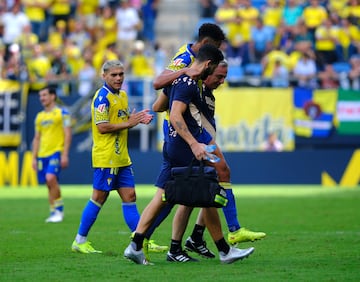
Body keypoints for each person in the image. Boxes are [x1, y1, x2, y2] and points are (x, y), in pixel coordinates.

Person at [124, 44, 255, 265]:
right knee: (205, 192)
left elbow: (159, 105)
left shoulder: (180, 80)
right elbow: (175, 115)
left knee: (165, 197)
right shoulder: (187, 82)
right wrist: (194, 143)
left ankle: (136, 245)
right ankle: (224, 250)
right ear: (207, 64)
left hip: (173, 144)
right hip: (184, 146)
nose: (220, 80)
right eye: (217, 73)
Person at [150, 23, 265, 261]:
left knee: (205, 183)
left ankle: (193, 239)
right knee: (175, 193)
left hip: (193, 124)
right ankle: (143, 238)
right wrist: (184, 78)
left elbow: (160, 103)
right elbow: (159, 85)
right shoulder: (185, 59)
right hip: (181, 130)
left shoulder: (200, 71)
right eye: (215, 51)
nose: (216, 58)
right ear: (205, 45)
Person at [71, 60, 165, 254]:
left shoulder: (122, 95)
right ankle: (79, 241)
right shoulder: (102, 98)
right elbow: (102, 127)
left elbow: (122, 121)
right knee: (99, 197)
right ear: (104, 76)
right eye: (113, 75)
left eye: (121, 74)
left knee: (130, 196)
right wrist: (129, 123)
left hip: (122, 156)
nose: (118, 78)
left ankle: (142, 239)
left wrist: (137, 118)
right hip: (107, 157)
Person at [31, 86, 72, 223]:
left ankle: (59, 211)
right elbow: (36, 138)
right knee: (49, 184)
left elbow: (67, 134)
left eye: (44, 95)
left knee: (50, 178)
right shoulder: (39, 117)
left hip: (56, 152)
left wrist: (65, 154)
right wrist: (34, 158)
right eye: (40, 96)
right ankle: (53, 211)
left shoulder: (63, 113)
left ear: (53, 96)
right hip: (42, 154)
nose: (42, 98)